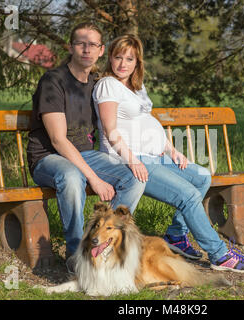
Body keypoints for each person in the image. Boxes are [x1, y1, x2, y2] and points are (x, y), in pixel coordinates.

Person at [92, 34, 244, 273]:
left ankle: (176, 235)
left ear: (137, 62)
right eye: (118, 57)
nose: (123, 63)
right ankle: (219, 255)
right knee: (188, 195)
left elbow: (148, 122)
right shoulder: (108, 85)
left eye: (130, 59)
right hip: (130, 160)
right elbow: (110, 130)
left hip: (155, 157)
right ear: (110, 57)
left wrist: (172, 150)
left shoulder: (136, 87)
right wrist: (131, 160)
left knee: (201, 176)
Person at [26, 24, 146, 270]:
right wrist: (94, 179)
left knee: (134, 178)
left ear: (101, 50)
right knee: (72, 176)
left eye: (93, 45)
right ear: (71, 47)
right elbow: (58, 140)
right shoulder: (53, 80)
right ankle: (77, 255)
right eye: (81, 43)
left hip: (86, 155)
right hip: (49, 157)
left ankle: (106, 246)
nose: (86, 49)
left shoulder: (97, 82)